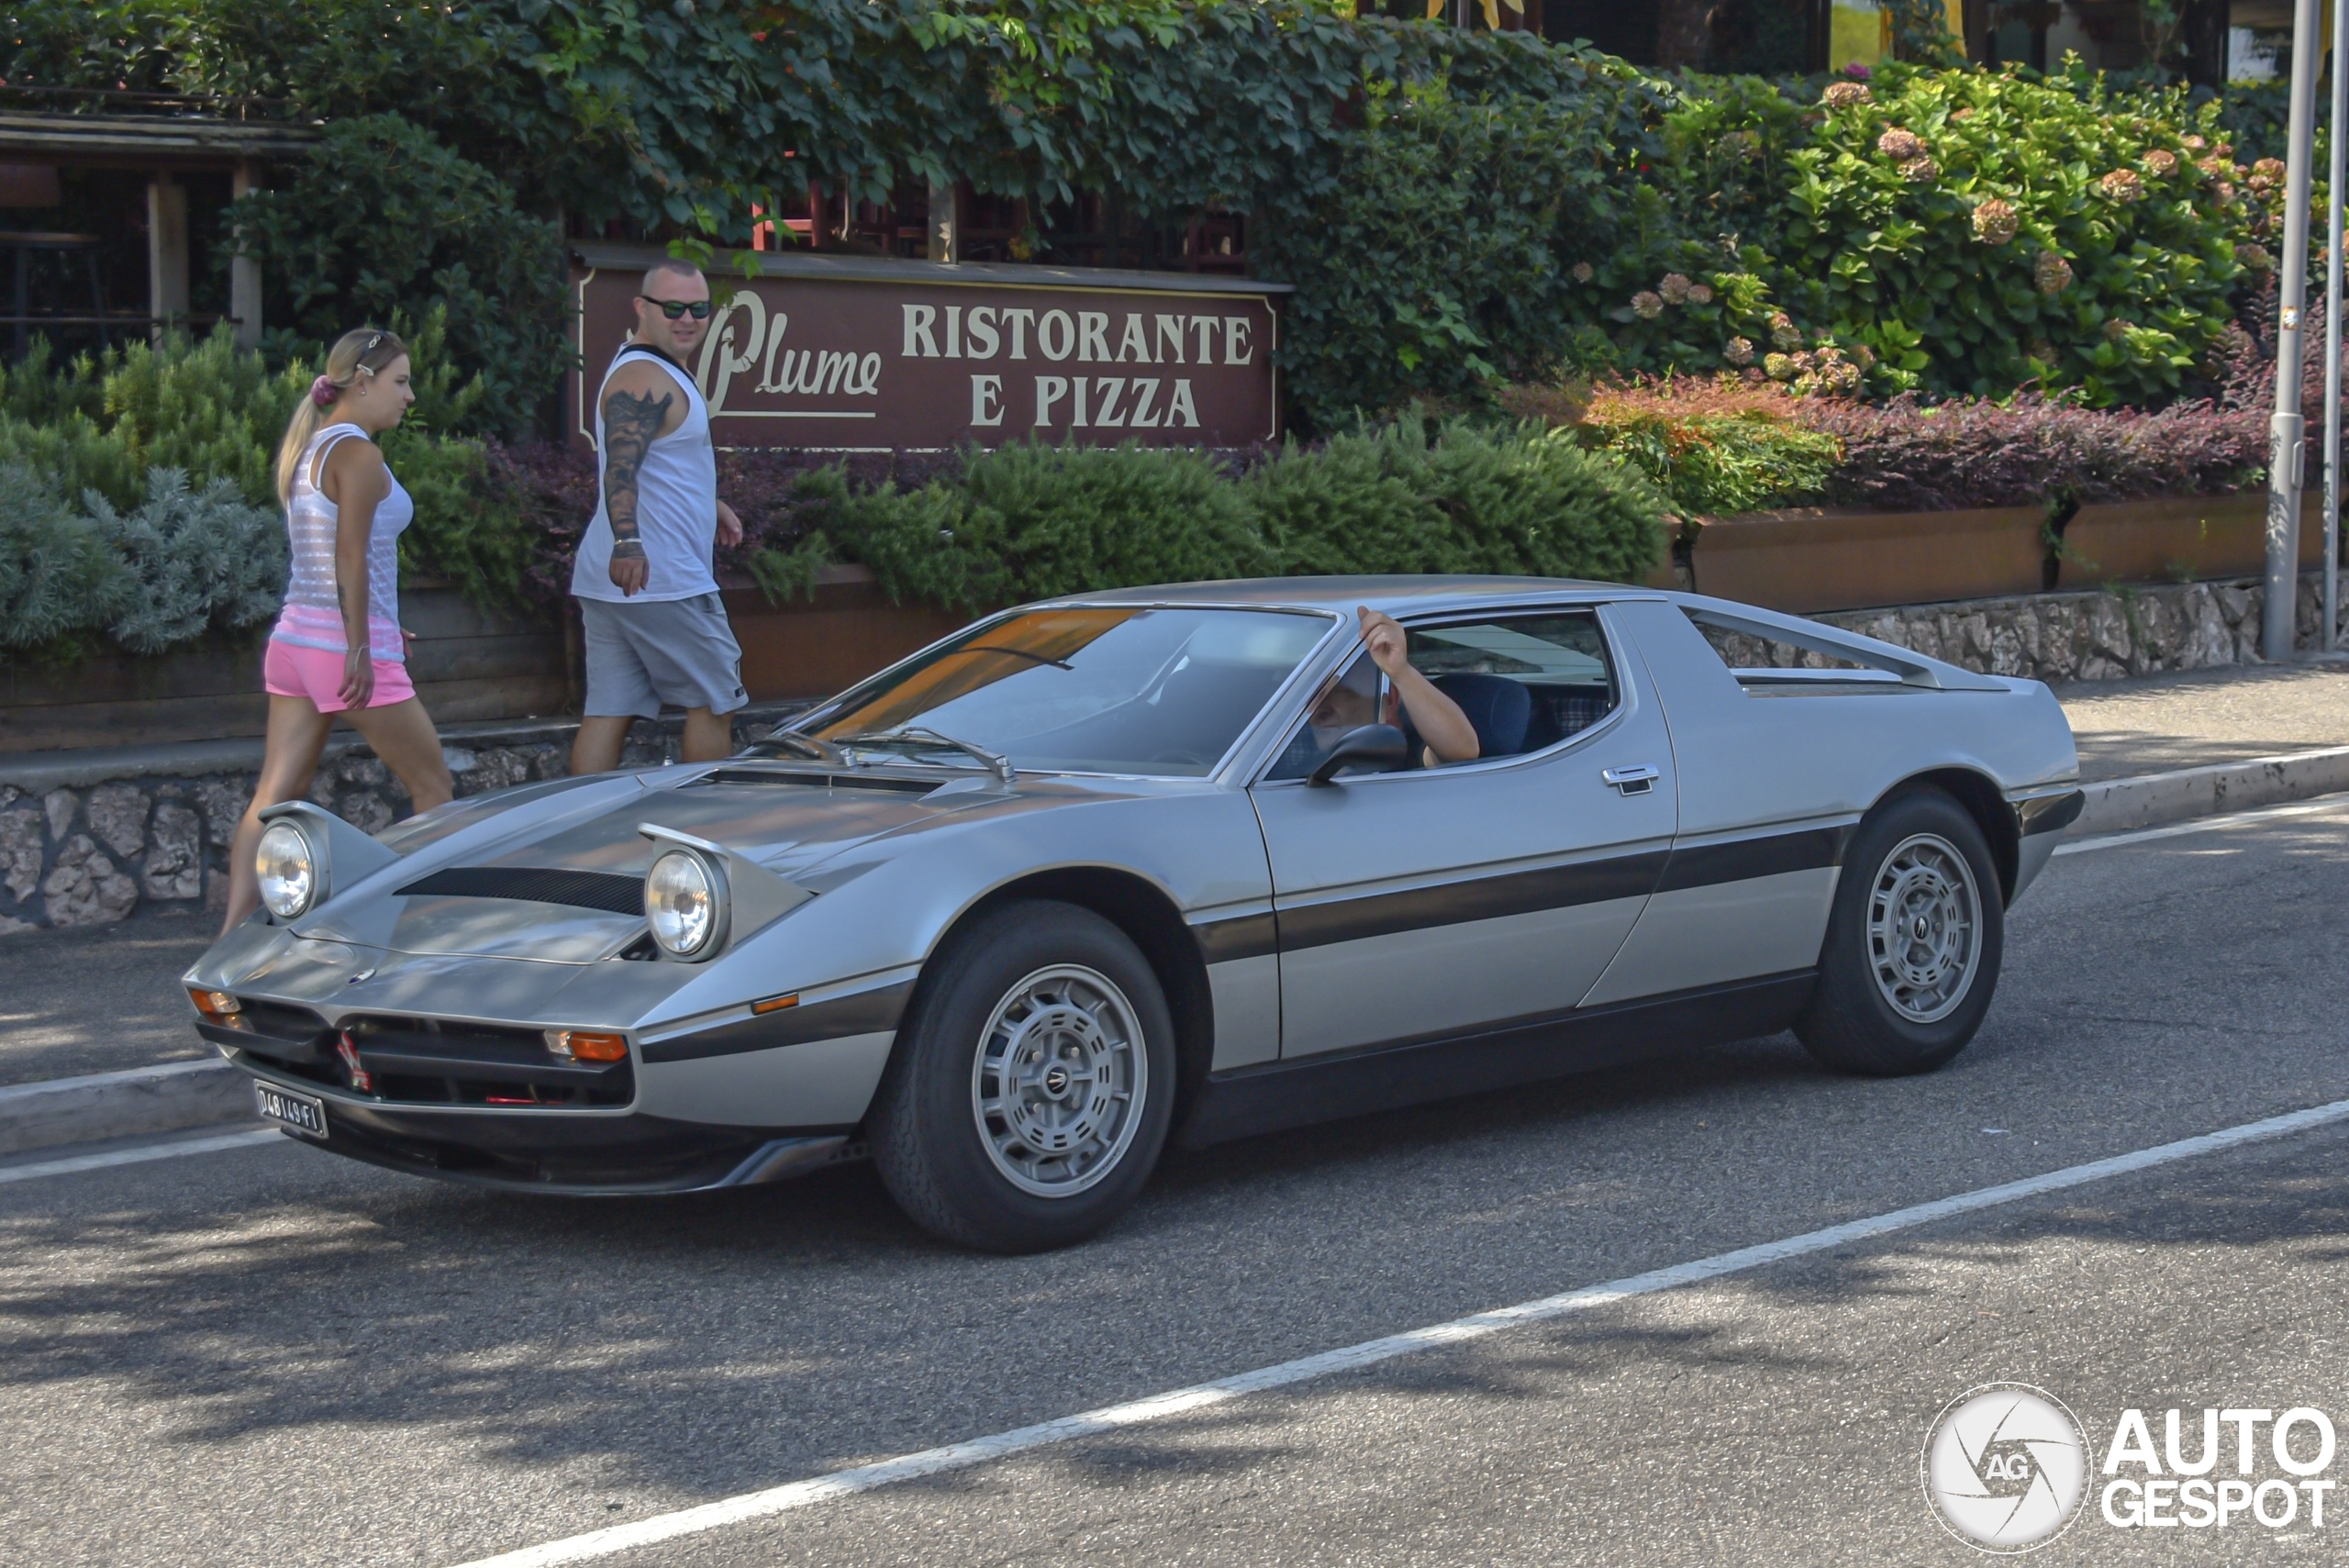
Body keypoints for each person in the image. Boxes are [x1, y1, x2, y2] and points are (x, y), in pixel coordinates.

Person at [220, 328, 454, 932]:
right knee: (433, 787)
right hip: (341, 648)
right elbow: (348, 555)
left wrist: (380, 626)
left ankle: (227, 941)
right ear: (365, 380)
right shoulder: (359, 455)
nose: (409, 396)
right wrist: (361, 644)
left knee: (272, 794)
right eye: (401, 382)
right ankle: (418, 932)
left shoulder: (312, 445)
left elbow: (339, 556)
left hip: (294, 641)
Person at [569, 259, 749, 775]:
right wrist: (630, 543)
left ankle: (583, 830)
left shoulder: (649, 368)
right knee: (716, 702)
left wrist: (706, 503)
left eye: (698, 308)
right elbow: (620, 470)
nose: (687, 319)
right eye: (673, 308)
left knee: (609, 710)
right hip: (661, 579)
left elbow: (653, 461)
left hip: (611, 582)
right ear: (642, 309)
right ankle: (705, 824)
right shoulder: (646, 379)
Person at [1286, 606, 1480, 775]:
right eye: (1313, 694)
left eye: (1340, 692)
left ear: (1389, 701)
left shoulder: (1404, 757)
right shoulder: (1281, 762)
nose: (1319, 708)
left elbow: (1462, 752)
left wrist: (1401, 673)